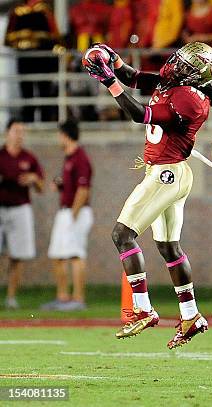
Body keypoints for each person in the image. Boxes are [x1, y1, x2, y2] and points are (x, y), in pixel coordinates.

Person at [83, 42, 212, 348]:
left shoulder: (189, 99)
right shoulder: (175, 82)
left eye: (185, 65)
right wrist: (113, 59)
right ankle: (191, 315)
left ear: (195, 77)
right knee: (169, 247)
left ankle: (143, 308)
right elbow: (135, 77)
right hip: (173, 172)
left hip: (166, 173)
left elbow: (139, 113)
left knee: (122, 235)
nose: (176, 65)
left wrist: (108, 82)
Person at [43, 120, 93, 311]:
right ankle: (63, 297)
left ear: (65, 135)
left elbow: (83, 189)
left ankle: (78, 299)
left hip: (76, 212)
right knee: (57, 255)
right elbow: (72, 184)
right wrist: (61, 185)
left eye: (59, 135)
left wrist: (74, 214)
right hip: (65, 211)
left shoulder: (80, 157)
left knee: (75, 254)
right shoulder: (69, 157)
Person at [0, 119, 44, 309]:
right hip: (1, 207)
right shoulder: (1, 156)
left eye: (22, 131)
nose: (20, 135)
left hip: (20, 208)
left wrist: (34, 179)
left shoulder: (29, 158)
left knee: (18, 256)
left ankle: (11, 297)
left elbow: (42, 187)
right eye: (16, 131)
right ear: (7, 132)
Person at [4, 0, 60, 122]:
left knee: (44, 92)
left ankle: (46, 123)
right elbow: (7, 39)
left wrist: (37, 39)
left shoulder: (45, 10)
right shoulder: (17, 12)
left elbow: (55, 37)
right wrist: (24, 37)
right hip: (25, 58)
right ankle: (27, 123)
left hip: (43, 58)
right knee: (26, 93)